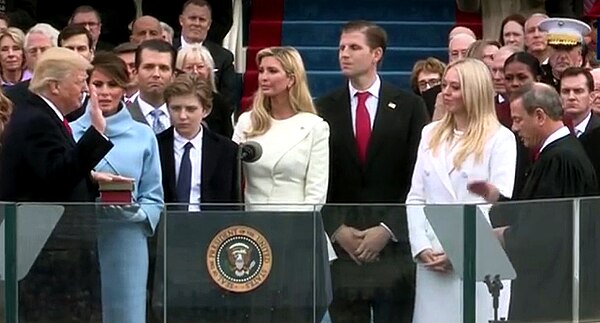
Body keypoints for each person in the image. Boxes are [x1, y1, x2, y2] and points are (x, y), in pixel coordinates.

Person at [316, 20, 429, 323]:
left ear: (376, 54)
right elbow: (319, 179)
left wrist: (387, 229)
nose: (344, 54)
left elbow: (416, 177)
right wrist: (337, 229)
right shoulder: (323, 108)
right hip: (344, 248)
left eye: (354, 47)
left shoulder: (410, 107)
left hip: (392, 249)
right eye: (341, 47)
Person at [469, 82, 600, 322]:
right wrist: (497, 199)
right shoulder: (556, 155)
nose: (514, 127)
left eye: (518, 119)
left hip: (552, 295)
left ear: (539, 116)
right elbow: (538, 215)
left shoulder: (560, 159)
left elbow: (549, 232)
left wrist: (504, 235)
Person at [0, 47, 114, 321]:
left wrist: (89, 178)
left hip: (55, 246)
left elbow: (50, 170)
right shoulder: (36, 120)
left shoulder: (44, 116)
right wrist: (96, 134)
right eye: (79, 82)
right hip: (47, 249)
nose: (85, 90)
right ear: (54, 86)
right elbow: (55, 177)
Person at [407, 58, 517, 323]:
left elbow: (497, 200)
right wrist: (420, 246)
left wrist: (458, 251)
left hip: (477, 253)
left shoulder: (500, 138)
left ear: (475, 91)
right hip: (433, 254)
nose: (445, 92)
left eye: (455, 87)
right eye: (444, 85)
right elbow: (416, 196)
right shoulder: (430, 133)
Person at [232, 46, 335, 322]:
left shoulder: (314, 126)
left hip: (296, 237)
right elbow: (231, 179)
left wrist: (287, 236)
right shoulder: (247, 122)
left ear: (291, 79)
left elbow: (316, 193)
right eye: (262, 71)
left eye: (272, 71)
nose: (263, 77)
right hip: (253, 235)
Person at [70, 51, 163, 323]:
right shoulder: (70, 132)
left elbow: (154, 196)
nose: (105, 92)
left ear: (125, 89)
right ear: (87, 86)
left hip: (127, 237)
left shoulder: (144, 135)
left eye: (113, 85)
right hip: (78, 236)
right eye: (98, 84)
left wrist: (135, 212)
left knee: (126, 313)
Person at [159, 73, 239, 209]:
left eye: (191, 109)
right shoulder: (156, 145)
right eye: (176, 108)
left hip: (211, 225)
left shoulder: (227, 150)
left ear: (206, 110)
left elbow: (232, 200)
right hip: (165, 225)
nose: (183, 116)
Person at [176, 44, 233, 137]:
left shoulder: (220, 103)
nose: (195, 71)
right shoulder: (171, 100)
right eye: (189, 67)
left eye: (200, 67)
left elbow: (227, 137)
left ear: (209, 70)